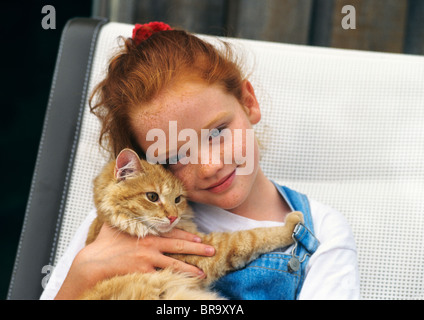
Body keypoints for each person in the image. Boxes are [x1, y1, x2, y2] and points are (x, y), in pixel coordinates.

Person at [41, 22, 360, 300]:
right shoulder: (122, 222)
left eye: (217, 132)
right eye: (175, 156)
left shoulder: (322, 233)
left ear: (248, 102)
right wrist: (83, 272)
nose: (209, 166)